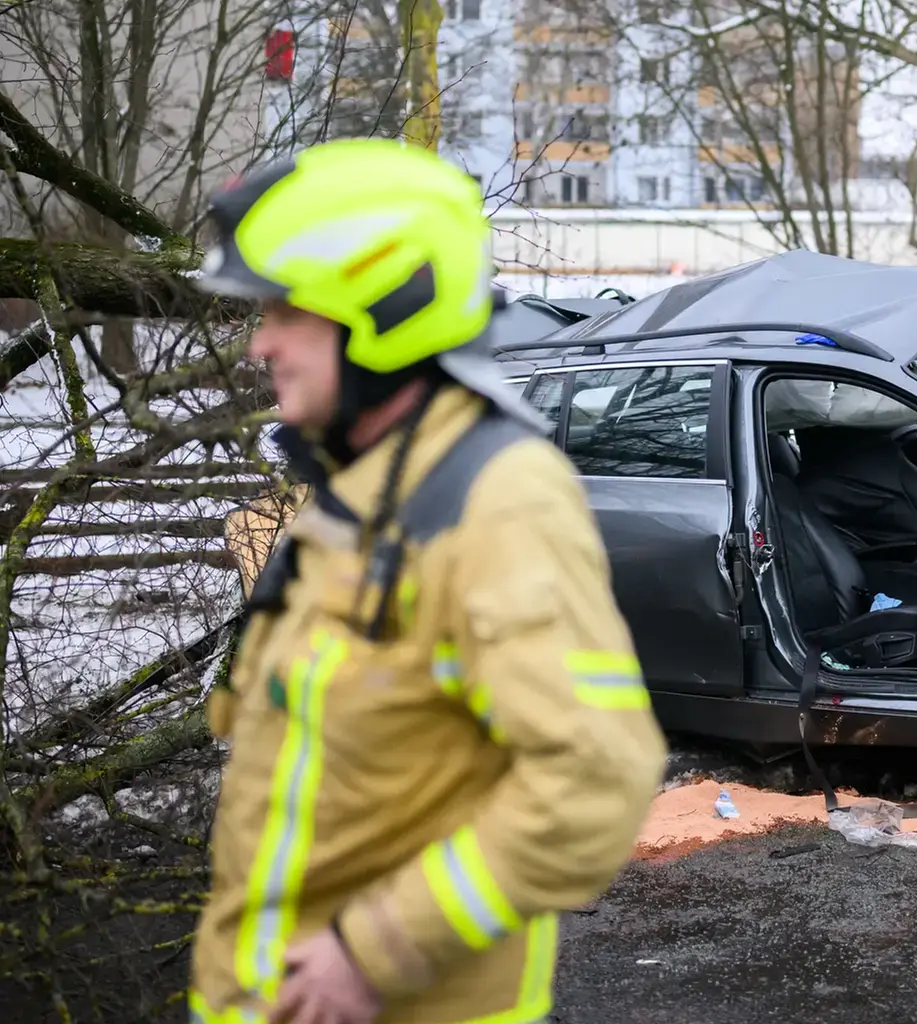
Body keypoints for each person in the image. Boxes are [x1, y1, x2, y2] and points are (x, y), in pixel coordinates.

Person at [186, 139, 668, 1023]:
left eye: (286, 311)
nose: (260, 343)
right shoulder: (366, 486)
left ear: (384, 307)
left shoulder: (497, 499)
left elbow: (596, 780)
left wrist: (375, 953)